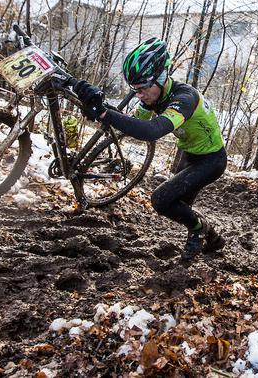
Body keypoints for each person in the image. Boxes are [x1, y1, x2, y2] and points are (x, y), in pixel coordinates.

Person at [67, 37, 227, 261]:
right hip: (188, 154)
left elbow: (152, 130)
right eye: (135, 89)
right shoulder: (152, 98)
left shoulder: (184, 98)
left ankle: (199, 229)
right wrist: (99, 104)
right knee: (179, 206)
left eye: (142, 89)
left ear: (161, 77)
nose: (139, 95)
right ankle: (213, 237)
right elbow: (132, 123)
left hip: (211, 161)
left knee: (161, 200)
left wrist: (105, 114)